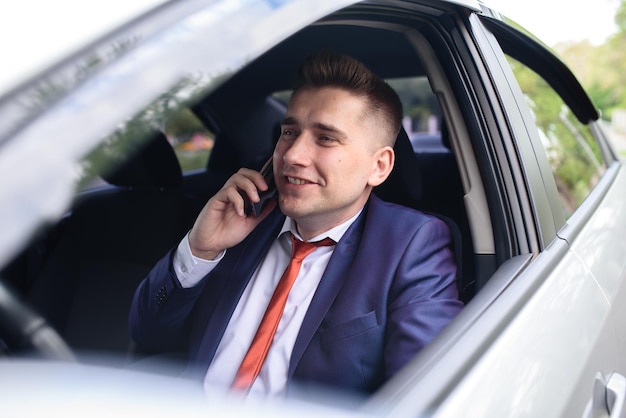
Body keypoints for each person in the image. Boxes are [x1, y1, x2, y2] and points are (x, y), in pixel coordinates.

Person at [129, 50, 463, 397]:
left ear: (378, 166)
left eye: (325, 138)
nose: (291, 155)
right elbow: (146, 333)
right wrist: (201, 249)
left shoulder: (413, 243)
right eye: (289, 132)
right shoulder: (242, 222)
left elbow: (427, 394)